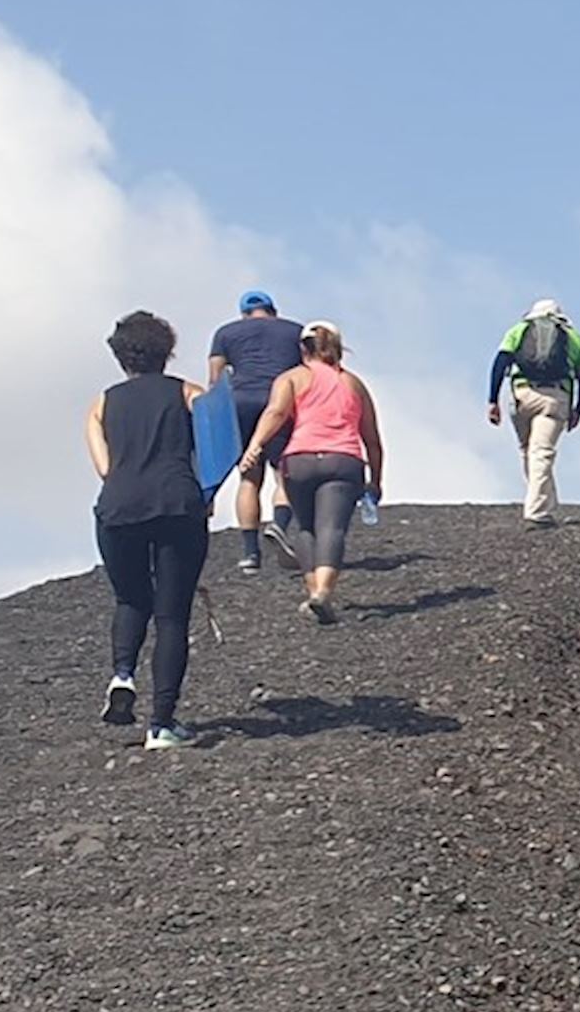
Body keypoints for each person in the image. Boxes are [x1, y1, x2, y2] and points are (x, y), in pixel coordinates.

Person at [85, 309, 210, 749]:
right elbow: (217, 444)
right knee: (172, 614)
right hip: (177, 504)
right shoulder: (189, 394)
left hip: (118, 508)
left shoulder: (102, 403)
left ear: (121, 356)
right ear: (167, 352)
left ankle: (122, 676)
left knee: (131, 597)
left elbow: (104, 467)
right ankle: (161, 724)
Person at [238, 321, 385, 626]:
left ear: (302, 349)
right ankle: (323, 594)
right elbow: (372, 437)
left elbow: (276, 412)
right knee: (332, 528)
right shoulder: (354, 384)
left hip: (300, 459)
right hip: (343, 459)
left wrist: (256, 444)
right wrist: (376, 480)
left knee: (306, 527)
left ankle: (312, 591)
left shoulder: (292, 378)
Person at [206, 289, 306, 573]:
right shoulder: (294, 331)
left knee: (249, 477)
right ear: (273, 310)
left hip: (240, 403)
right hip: (278, 401)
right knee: (282, 473)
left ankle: (250, 554)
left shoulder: (225, 333)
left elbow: (215, 379)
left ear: (244, 314)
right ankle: (280, 525)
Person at [487, 298, 580, 526]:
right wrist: (578, 410)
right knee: (542, 452)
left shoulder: (520, 329)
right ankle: (538, 512)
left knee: (528, 450)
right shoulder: (575, 338)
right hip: (555, 398)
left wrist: (492, 400)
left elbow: (500, 362)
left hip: (522, 395)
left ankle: (545, 504)